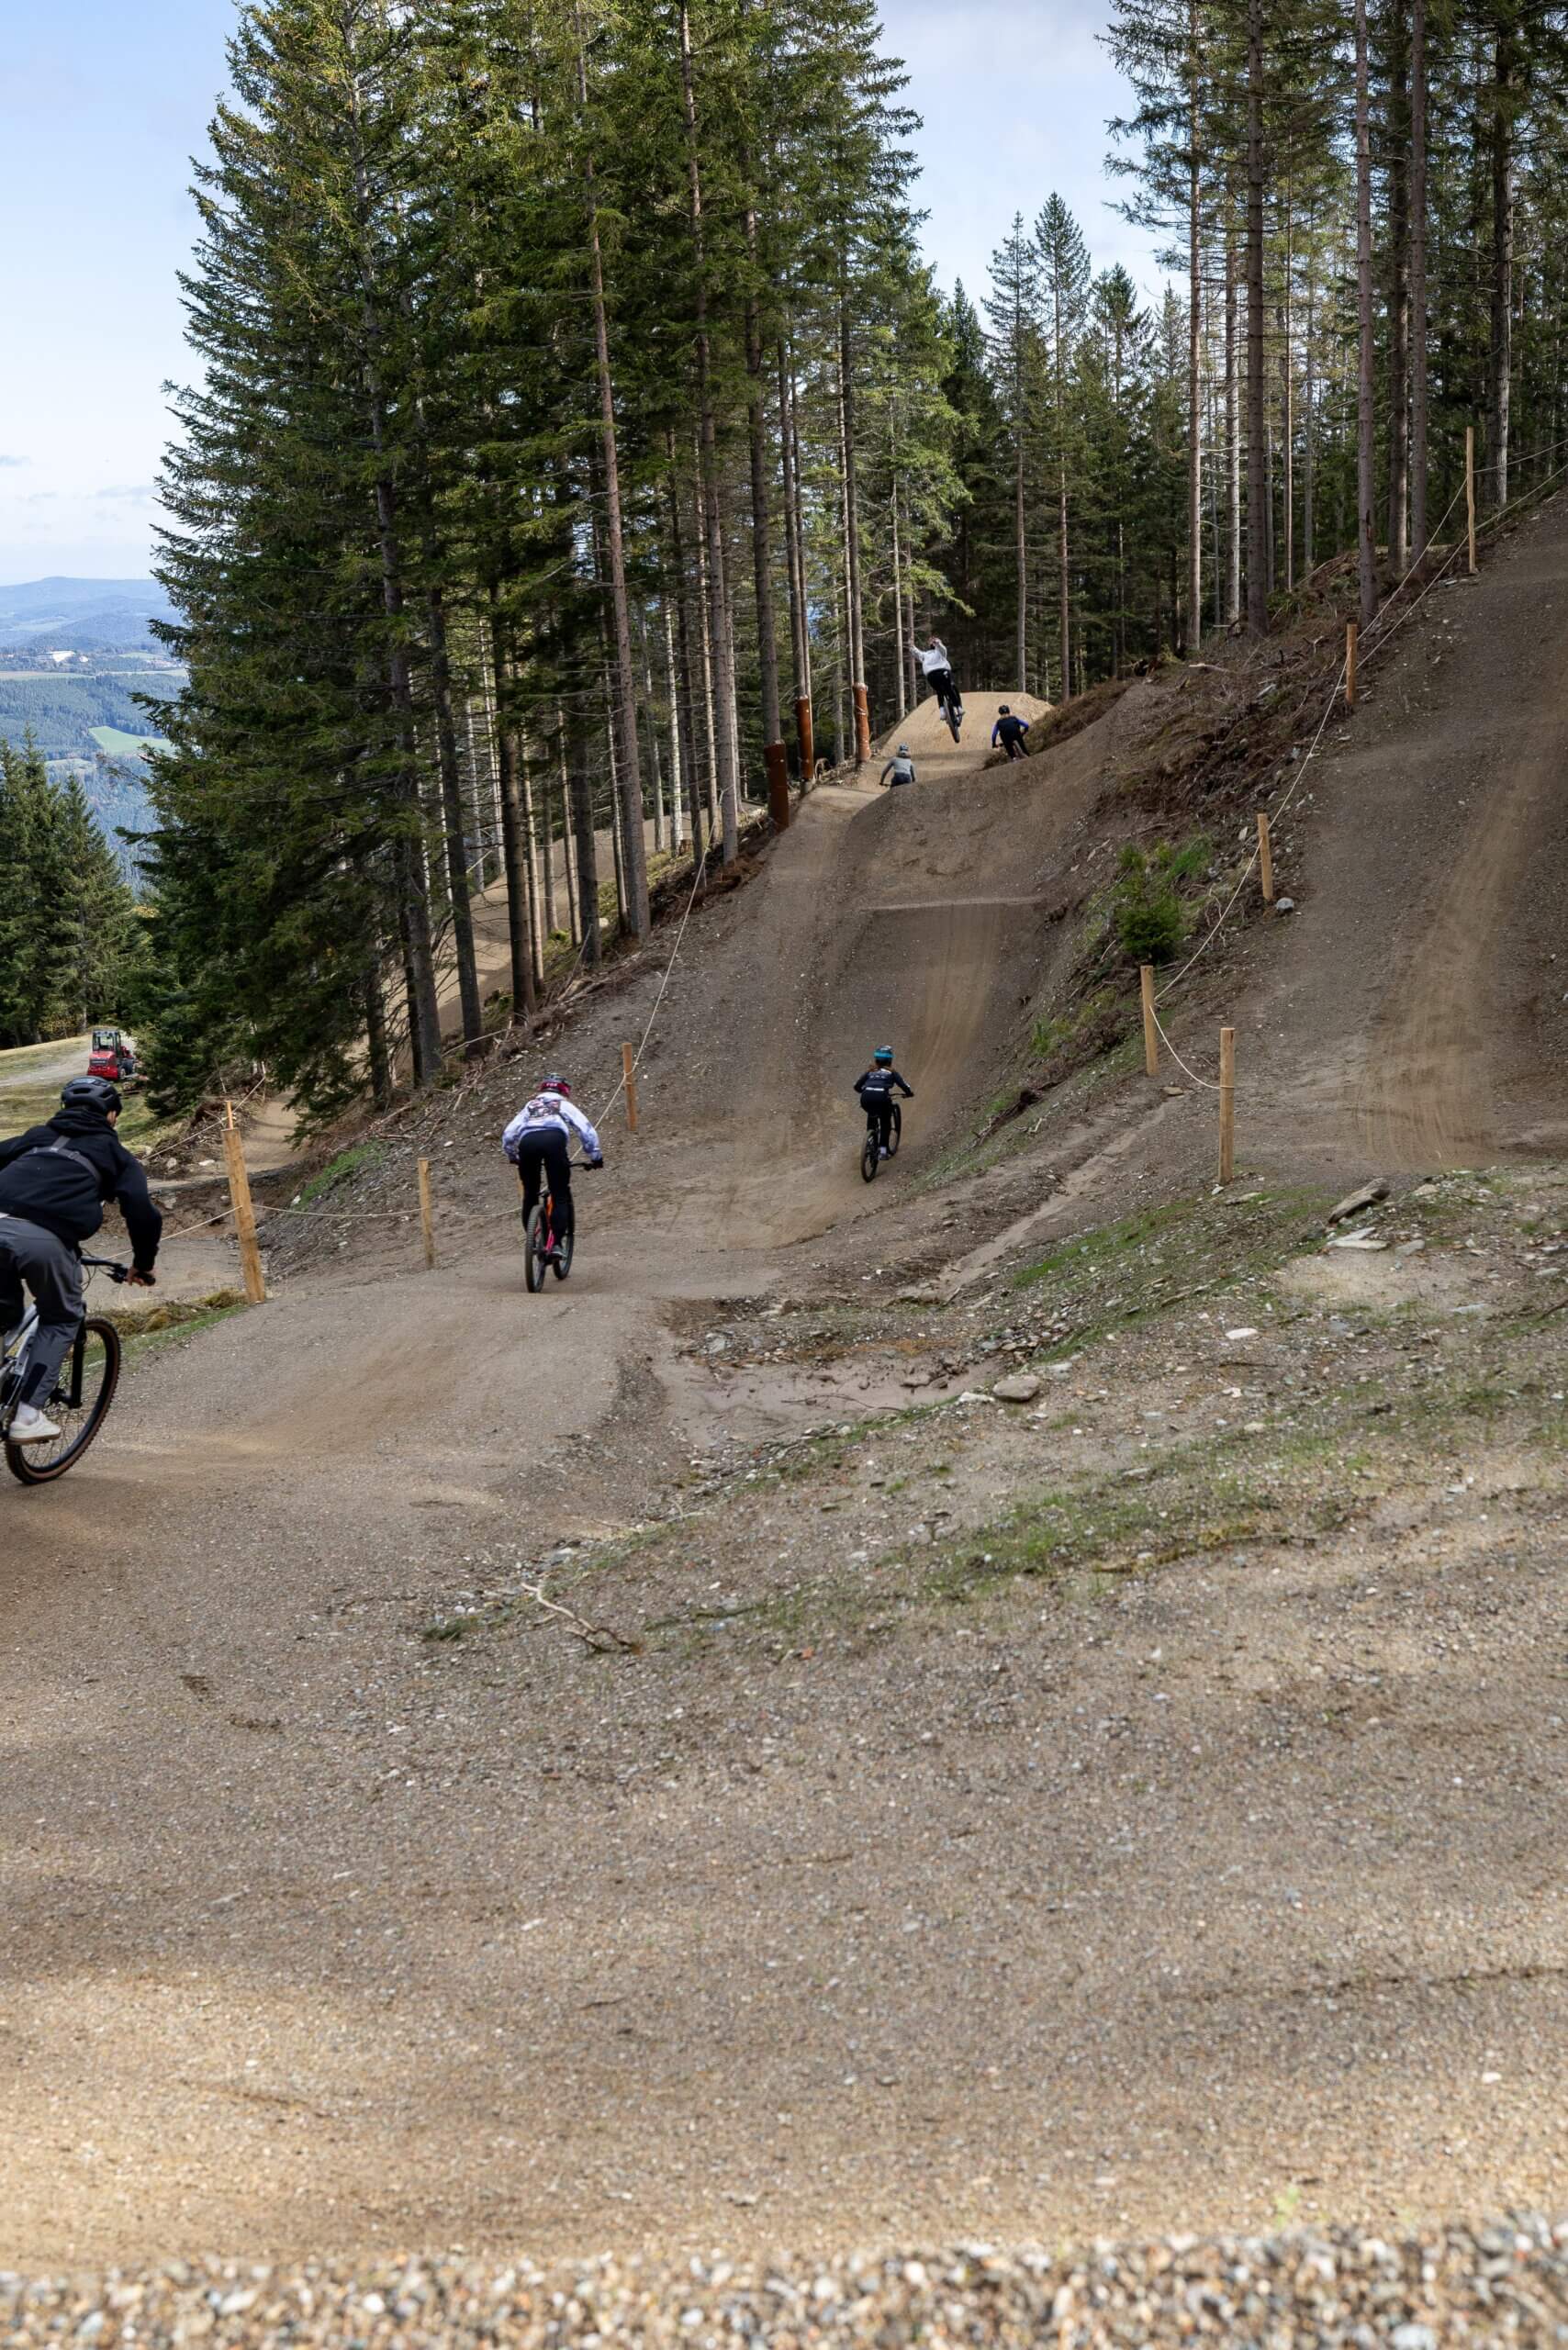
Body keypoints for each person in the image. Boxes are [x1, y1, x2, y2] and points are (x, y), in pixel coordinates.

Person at [0, 1075, 160, 1444]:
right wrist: (143, 1262)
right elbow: (143, 1213)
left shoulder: (35, 1137)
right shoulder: (117, 1156)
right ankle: (27, 1417)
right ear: (113, 1116)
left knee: (2, 1316)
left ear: (64, 1109)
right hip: (44, 1239)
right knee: (62, 1317)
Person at [501, 1076, 604, 1243]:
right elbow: (585, 1130)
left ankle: (532, 1242)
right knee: (560, 1195)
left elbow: (509, 1134)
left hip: (528, 1144)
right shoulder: (564, 1105)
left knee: (530, 1193)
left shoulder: (530, 1105)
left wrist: (513, 1156)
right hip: (553, 1141)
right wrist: (595, 1156)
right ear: (564, 1092)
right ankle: (556, 1245)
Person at [853, 1047, 914, 1160]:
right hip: (881, 1098)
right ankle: (882, 1151)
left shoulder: (870, 1071)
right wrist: (909, 1093)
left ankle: (870, 1142)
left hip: (866, 1098)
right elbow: (904, 1085)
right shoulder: (891, 1072)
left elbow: (856, 1086)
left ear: (876, 1060)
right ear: (890, 1061)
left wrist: (867, 1091)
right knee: (885, 1123)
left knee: (872, 1115)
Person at [917, 637, 961, 727]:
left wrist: (911, 647)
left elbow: (916, 653)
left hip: (931, 676)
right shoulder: (940, 652)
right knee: (950, 688)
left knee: (939, 692)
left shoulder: (925, 655)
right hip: (943, 672)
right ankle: (958, 708)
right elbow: (943, 649)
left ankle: (942, 712)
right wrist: (937, 643)